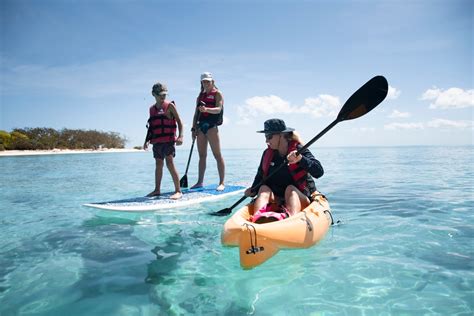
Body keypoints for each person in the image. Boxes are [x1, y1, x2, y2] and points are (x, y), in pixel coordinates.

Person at [244, 119, 324, 223]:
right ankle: (258, 220)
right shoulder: (268, 153)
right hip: (277, 199)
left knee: (290, 189)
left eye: (269, 136)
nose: (266, 141)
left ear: (281, 135)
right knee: (263, 188)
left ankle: (290, 221)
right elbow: (260, 176)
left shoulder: (299, 150)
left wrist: (300, 159)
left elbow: (319, 172)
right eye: (266, 137)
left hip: (300, 198)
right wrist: (253, 190)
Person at [144, 82, 184, 199]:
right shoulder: (151, 109)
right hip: (157, 141)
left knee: (170, 163)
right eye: (160, 94)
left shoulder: (170, 106)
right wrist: (146, 140)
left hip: (168, 140)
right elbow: (151, 127)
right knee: (158, 164)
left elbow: (180, 122)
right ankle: (157, 190)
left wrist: (181, 136)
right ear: (153, 94)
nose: (163, 96)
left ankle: (178, 191)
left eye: (165, 94)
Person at [190, 72, 225, 191]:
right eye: (204, 82)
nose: (206, 84)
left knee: (217, 155)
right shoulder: (199, 97)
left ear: (212, 82)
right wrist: (193, 129)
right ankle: (200, 182)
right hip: (200, 127)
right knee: (202, 155)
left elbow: (219, 109)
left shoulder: (218, 94)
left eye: (208, 81)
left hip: (211, 127)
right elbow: (196, 115)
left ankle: (221, 182)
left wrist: (206, 109)